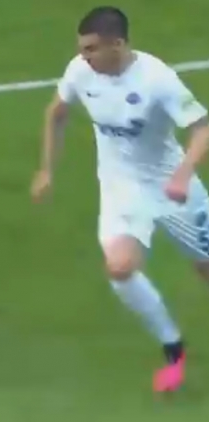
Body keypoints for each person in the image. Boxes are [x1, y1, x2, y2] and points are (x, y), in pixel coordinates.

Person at [31, 6, 209, 393]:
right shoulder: (80, 71)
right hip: (121, 188)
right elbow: (56, 113)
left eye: (91, 48)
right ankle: (173, 346)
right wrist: (46, 169)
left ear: (118, 44)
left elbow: (202, 129)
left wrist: (182, 175)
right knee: (120, 267)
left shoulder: (157, 78)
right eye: (82, 48)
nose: (84, 56)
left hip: (172, 185)